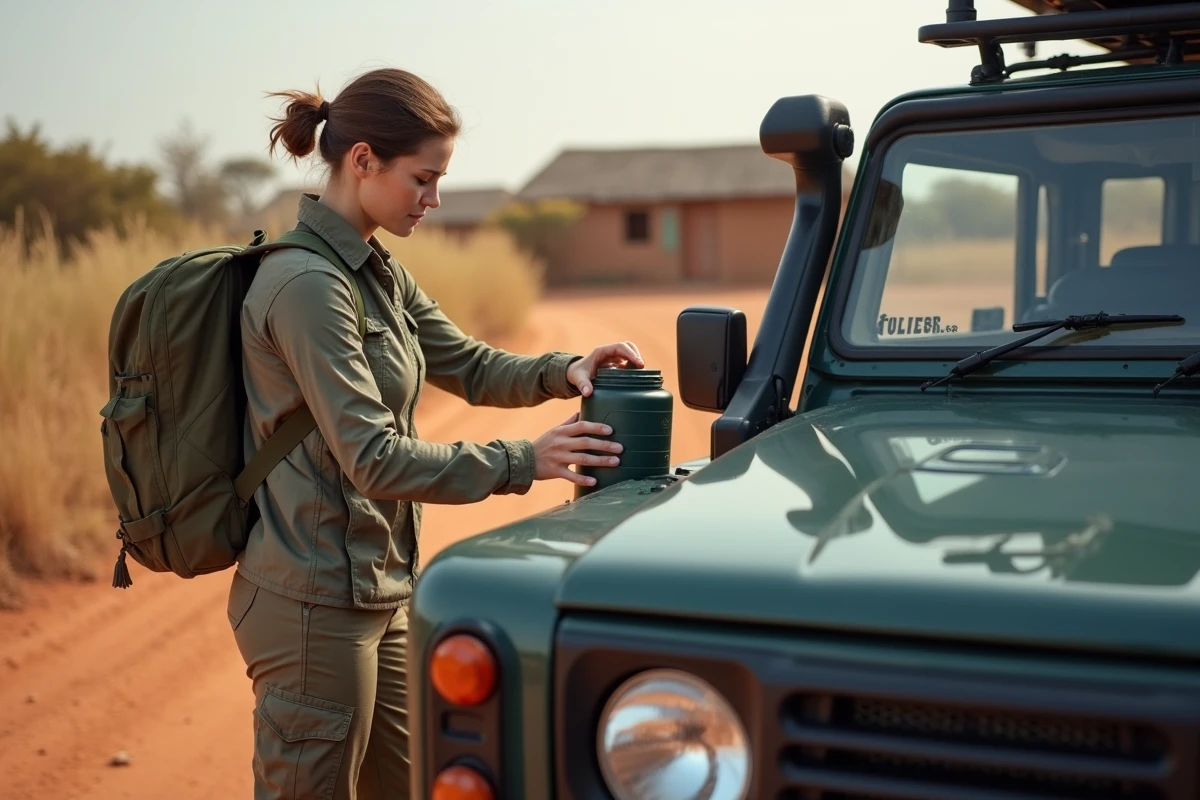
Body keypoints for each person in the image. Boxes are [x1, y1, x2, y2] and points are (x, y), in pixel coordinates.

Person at [226, 66, 643, 800]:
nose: (435, 198)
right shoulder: (309, 287)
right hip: (313, 605)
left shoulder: (375, 273)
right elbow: (374, 460)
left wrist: (565, 369)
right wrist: (526, 460)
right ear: (363, 161)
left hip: (381, 592)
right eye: (423, 178)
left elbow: (469, 364)